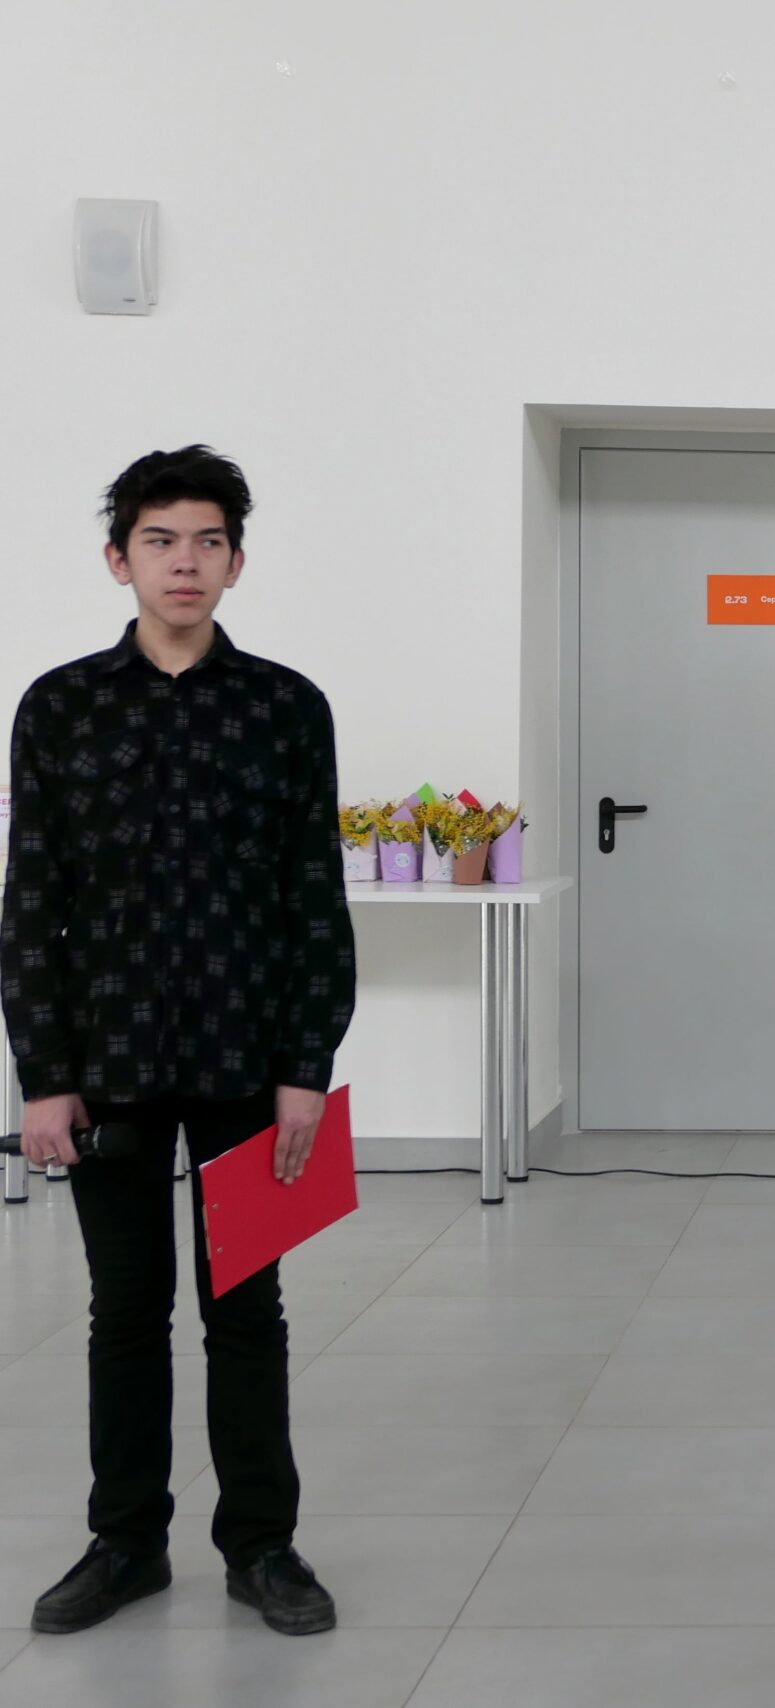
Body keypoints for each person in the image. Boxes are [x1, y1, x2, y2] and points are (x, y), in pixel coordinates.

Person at [3, 446, 355, 1636]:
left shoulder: (286, 707)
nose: (185, 562)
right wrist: (44, 1078)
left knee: (247, 1308)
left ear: (237, 562)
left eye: (208, 541)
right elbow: (32, 900)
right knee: (124, 1310)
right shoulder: (59, 706)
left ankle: (263, 1546)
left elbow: (314, 899)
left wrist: (306, 1068)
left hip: (249, 1060)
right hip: (109, 1061)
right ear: (120, 559)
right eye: (160, 541)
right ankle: (125, 1543)